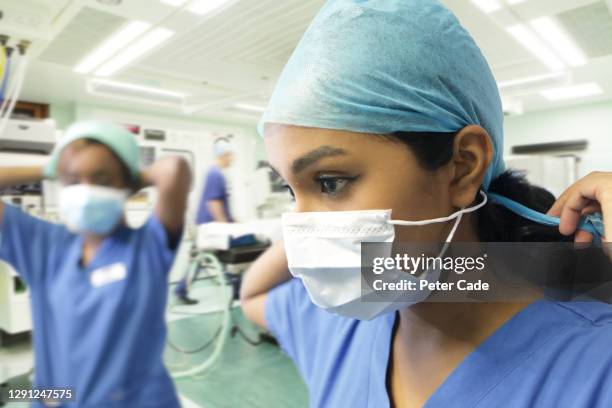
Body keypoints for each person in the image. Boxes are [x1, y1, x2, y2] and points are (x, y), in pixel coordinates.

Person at [240, 1, 612, 407]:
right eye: (290, 190)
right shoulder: (337, 322)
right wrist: (307, 218)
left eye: (330, 182)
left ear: (463, 166)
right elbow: (252, 296)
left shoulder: (594, 370)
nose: (302, 228)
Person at [0, 120, 191, 407]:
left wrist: (131, 177)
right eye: (74, 181)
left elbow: (175, 169)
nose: (85, 192)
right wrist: (50, 167)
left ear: (126, 183)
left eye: (101, 180)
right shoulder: (43, 246)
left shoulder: (146, 247)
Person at [174, 138, 234, 305]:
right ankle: (181, 290)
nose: (232, 159)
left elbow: (220, 202)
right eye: (229, 155)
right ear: (223, 155)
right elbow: (213, 203)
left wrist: (232, 219)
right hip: (209, 226)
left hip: (210, 224)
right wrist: (225, 226)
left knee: (203, 259)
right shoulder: (215, 174)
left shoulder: (217, 174)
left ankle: (181, 290)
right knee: (206, 258)